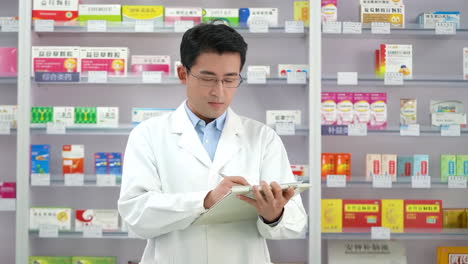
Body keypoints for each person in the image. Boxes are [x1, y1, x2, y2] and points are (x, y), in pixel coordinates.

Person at [118, 23, 308, 264]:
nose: (219, 92)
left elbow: (295, 223)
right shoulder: (148, 135)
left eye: (229, 80)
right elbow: (136, 215)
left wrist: (274, 215)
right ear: (183, 74)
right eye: (208, 79)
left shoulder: (262, 138)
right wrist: (205, 200)